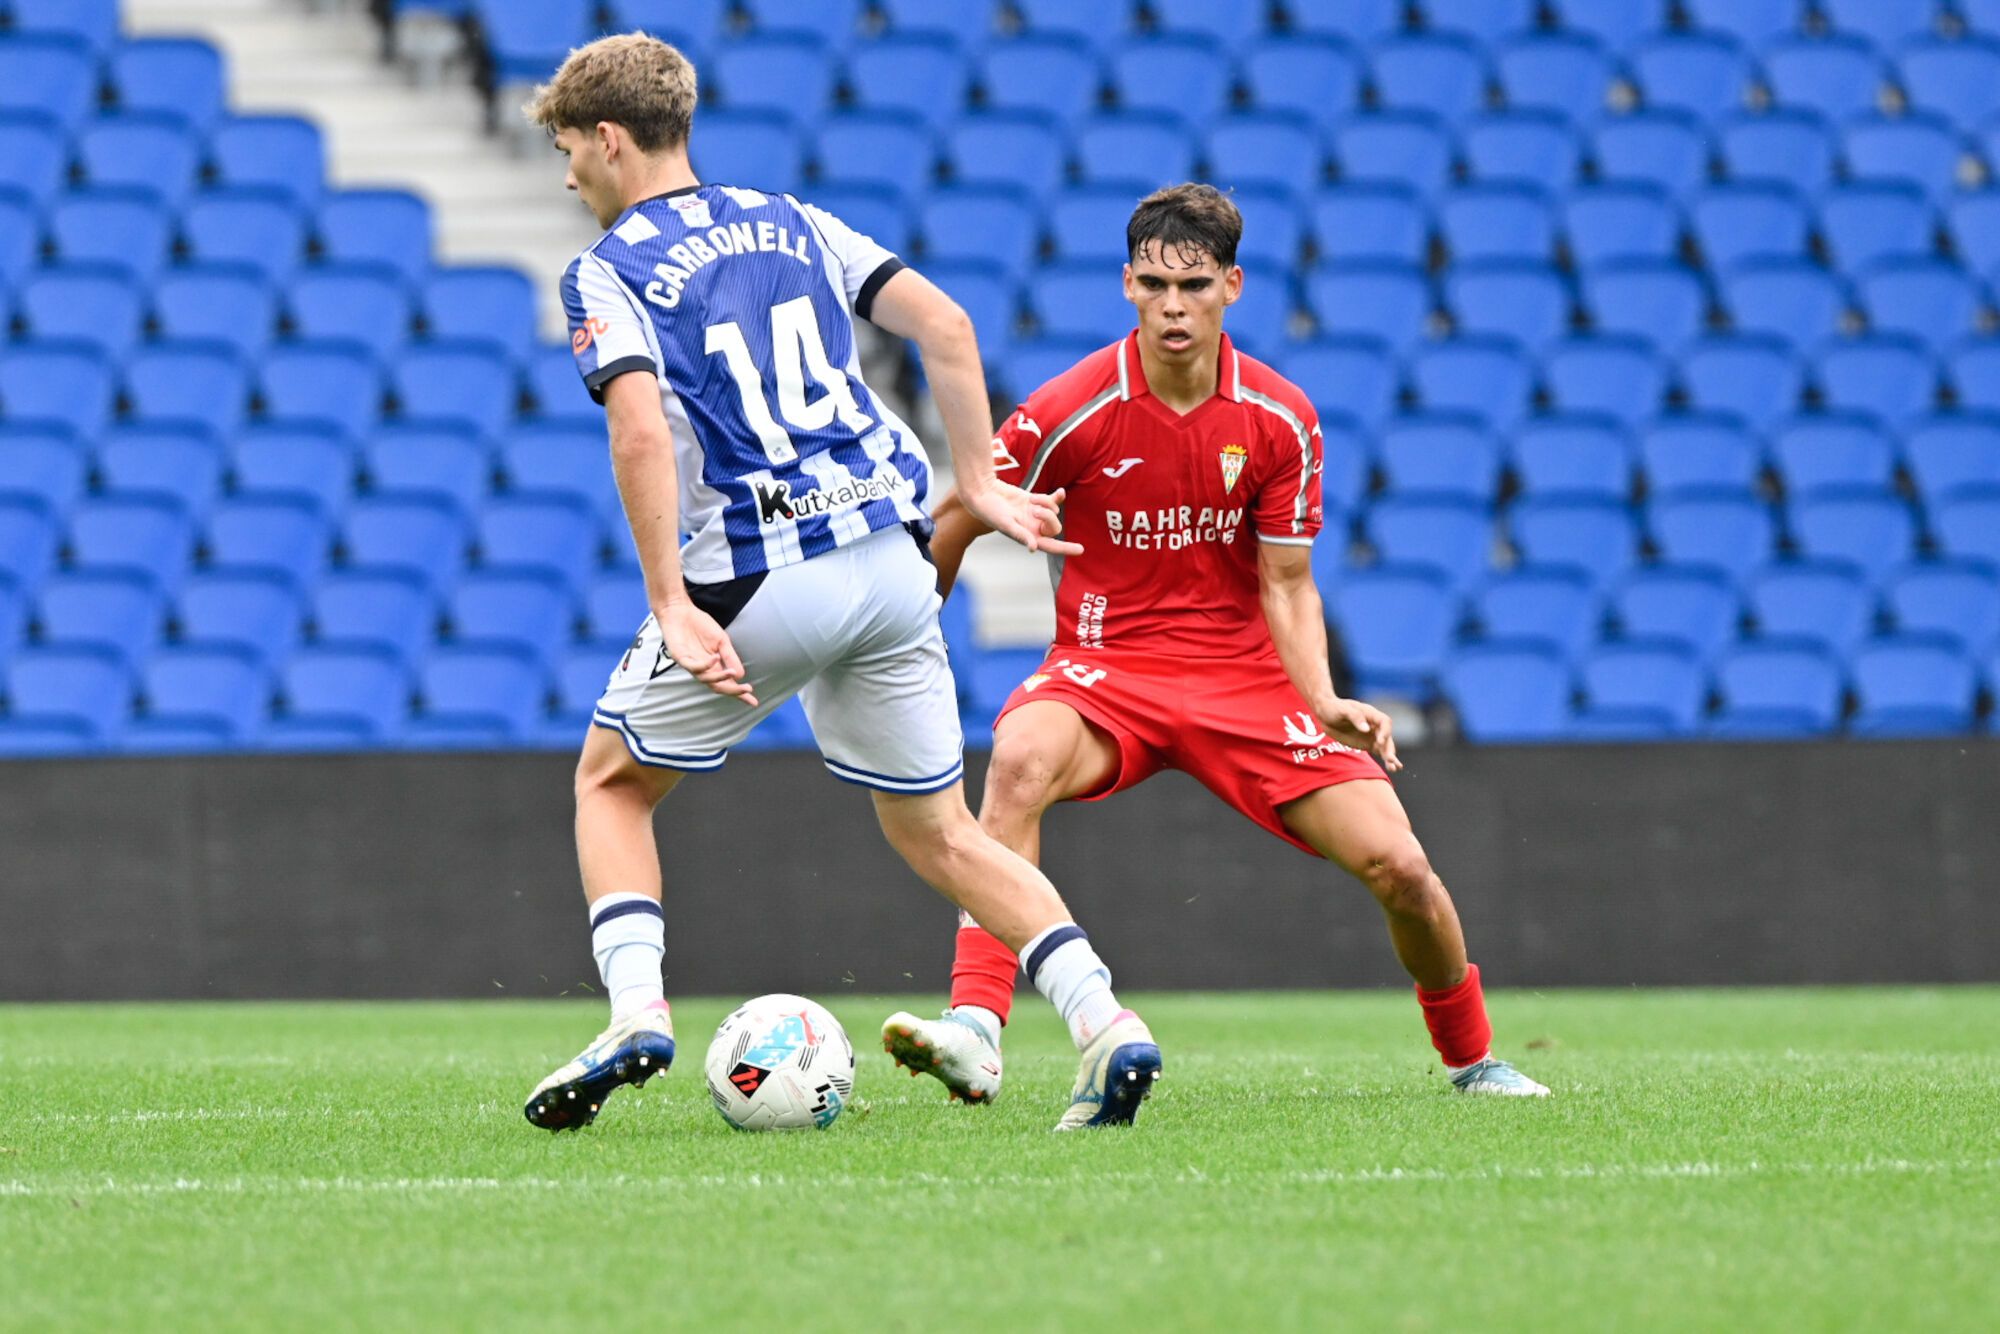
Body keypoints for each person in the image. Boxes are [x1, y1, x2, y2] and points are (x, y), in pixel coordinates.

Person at [519, 34, 1161, 1133]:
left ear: (611, 139)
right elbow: (947, 327)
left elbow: (635, 424)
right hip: (891, 555)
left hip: (763, 575)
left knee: (610, 782)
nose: (569, 172)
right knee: (944, 834)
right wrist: (979, 481)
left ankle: (635, 1011)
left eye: (573, 149)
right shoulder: (791, 218)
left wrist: (672, 602)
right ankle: (1105, 1021)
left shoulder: (610, 267)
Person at [882, 184, 1547, 1102]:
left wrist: (1321, 699)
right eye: (1152, 284)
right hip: (1105, 668)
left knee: (1403, 869)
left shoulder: (1280, 418)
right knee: (1019, 763)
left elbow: (1286, 580)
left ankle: (1473, 1059)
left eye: (1192, 286)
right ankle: (975, 1031)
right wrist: (911, 642)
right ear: (1125, 285)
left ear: (1232, 286)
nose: (1172, 306)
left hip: (1249, 683)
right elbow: (962, 514)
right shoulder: (1070, 408)